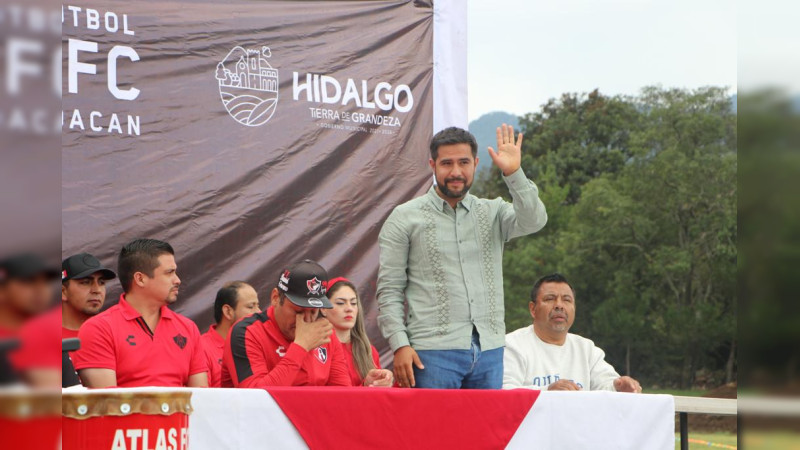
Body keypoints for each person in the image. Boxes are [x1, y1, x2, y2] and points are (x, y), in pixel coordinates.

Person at [377, 125, 548, 389]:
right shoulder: (404, 217)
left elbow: (535, 220)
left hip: (491, 351)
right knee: (433, 431)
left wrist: (514, 173)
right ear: (432, 165)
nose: (456, 172)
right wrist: (400, 344)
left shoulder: (493, 212)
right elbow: (389, 291)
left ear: (475, 164)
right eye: (447, 163)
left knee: (485, 431)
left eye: (464, 162)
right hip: (431, 353)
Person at [72, 239, 208, 388]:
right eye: (169, 273)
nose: (178, 280)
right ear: (140, 279)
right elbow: (106, 404)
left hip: (181, 412)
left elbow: (200, 400)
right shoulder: (99, 329)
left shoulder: (188, 328)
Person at [221, 260, 354, 387]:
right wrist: (301, 346)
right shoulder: (246, 332)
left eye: (313, 312)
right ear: (275, 298)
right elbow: (256, 399)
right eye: (298, 311)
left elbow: (343, 395)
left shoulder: (324, 334)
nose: (306, 320)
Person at [503, 273, 642, 392]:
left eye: (567, 300)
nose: (559, 305)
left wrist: (620, 386)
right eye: (550, 299)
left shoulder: (586, 349)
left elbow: (606, 385)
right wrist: (547, 391)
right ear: (533, 309)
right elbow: (504, 392)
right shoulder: (512, 345)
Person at [323, 277, 393, 387]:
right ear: (323, 309)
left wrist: (381, 381)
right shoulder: (316, 349)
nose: (349, 308)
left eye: (353, 303)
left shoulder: (367, 350)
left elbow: (375, 398)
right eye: (341, 303)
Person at [201, 281, 261, 387]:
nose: (259, 312)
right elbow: (201, 397)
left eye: (258, 305)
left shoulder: (257, 344)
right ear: (228, 311)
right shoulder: (202, 347)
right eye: (251, 307)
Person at [61, 253, 117, 339]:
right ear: (63, 292)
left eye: (101, 282)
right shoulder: (42, 338)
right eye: (86, 282)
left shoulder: (115, 333)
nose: (97, 290)